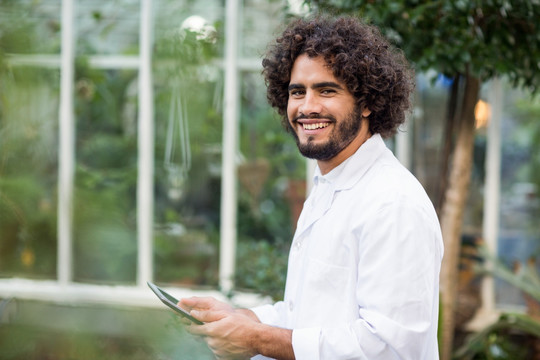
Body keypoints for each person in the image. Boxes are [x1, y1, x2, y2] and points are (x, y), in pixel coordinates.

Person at [180, 15, 444, 360]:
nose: (307, 107)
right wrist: (242, 319)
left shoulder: (393, 204)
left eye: (326, 90)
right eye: (297, 92)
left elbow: (389, 348)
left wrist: (257, 339)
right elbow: (307, 313)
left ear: (367, 102)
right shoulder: (327, 185)